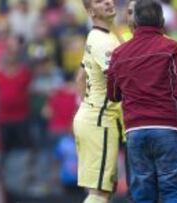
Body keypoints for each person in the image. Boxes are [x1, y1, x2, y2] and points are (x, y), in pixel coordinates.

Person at [107, 0, 177, 202]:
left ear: (135, 21)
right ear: (162, 21)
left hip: (135, 132)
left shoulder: (119, 53)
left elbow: (113, 93)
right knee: (173, 191)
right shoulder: (172, 47)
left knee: (142, 195)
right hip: (169, 128)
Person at [72, 0, 123, 202]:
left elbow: (80, 78)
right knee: (100, 192)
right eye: (100, 1)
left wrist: (86, 106)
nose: (109, 2)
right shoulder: (103, 41)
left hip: (94, 118)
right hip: (99, 121)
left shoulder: (100, 36)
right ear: (90, 11)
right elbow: (118, 78)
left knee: (103, 190)